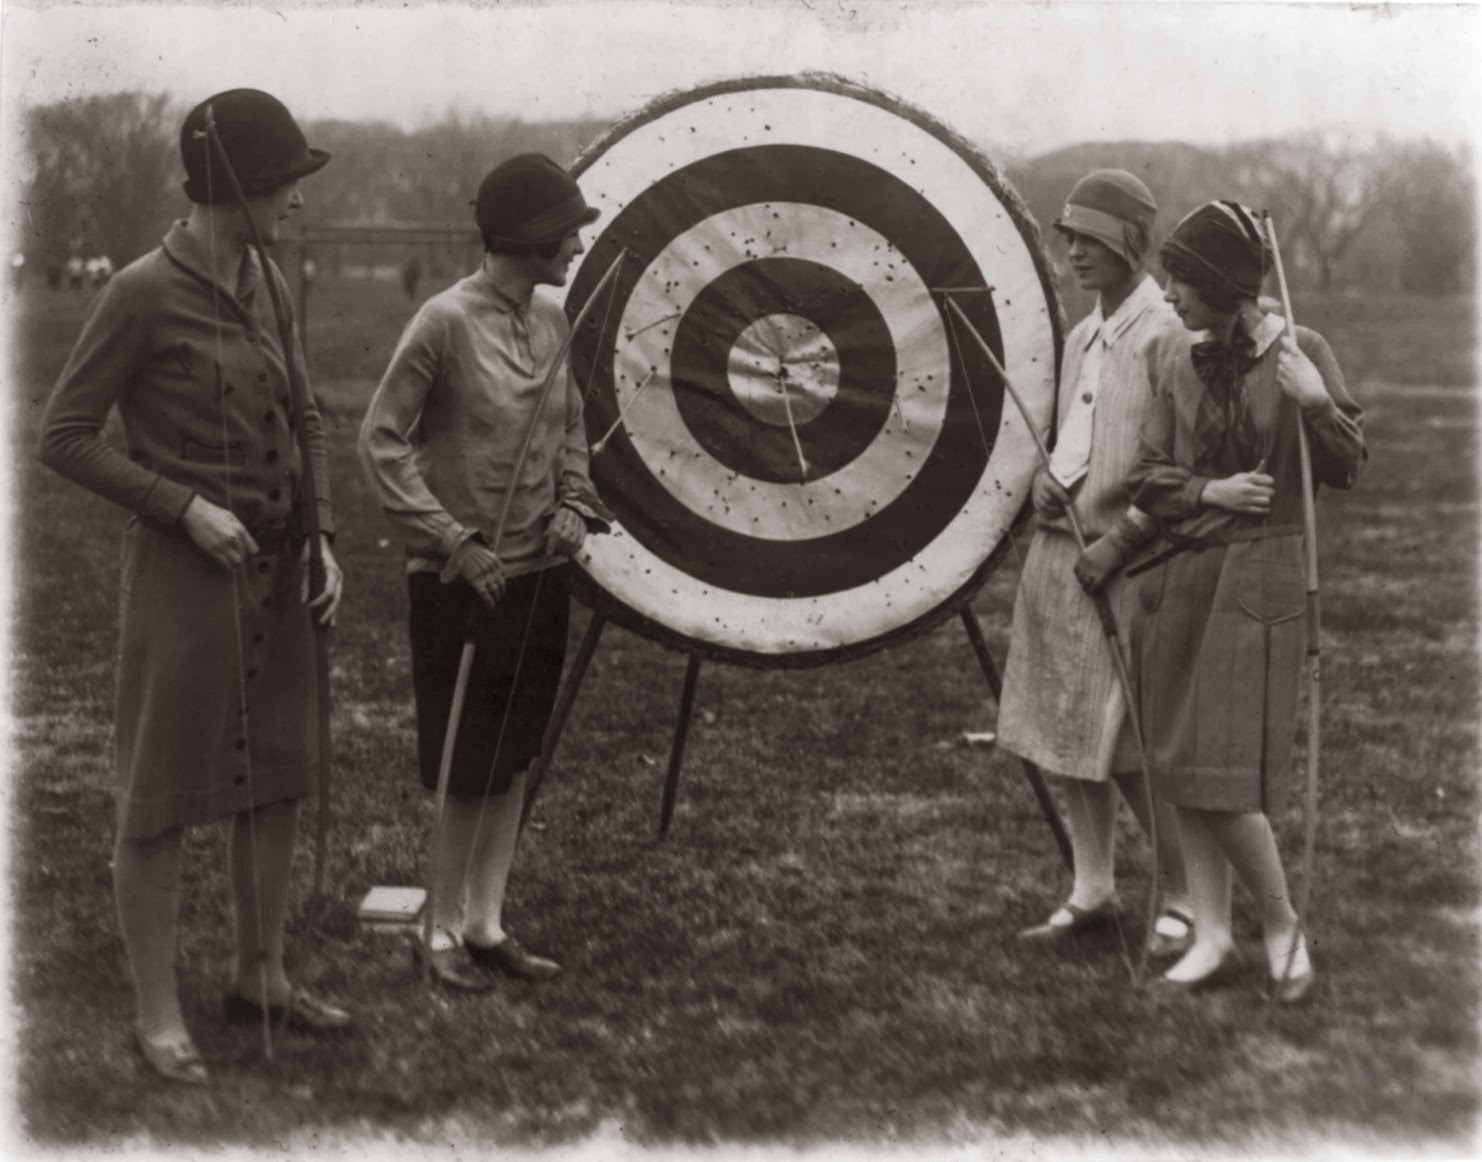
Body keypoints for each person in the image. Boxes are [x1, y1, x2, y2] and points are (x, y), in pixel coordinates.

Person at [39, 89, 350, 1085]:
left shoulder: (269, 277)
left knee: (278, 779)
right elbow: (64, 437)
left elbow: (307, 415)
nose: (296, 200)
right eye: (286, 183)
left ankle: (262, 977)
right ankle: (157, 1010)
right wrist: (182, 507)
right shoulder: (138, 291)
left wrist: (323, 536)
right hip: (185, 581)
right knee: (161, 797)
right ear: (237, 187)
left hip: (279, 571)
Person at [359, 153, 612, 992]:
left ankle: (485, 924)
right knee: (467, 765)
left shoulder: (554, 321)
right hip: (462, 581)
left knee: (513, 758)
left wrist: (573, 501)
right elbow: (381, 441)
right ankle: (436, 928)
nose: (577, 246)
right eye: (567, 232)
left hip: (539, 576)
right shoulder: (442, 321)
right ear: (529, 237)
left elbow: (570, 428)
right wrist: (451, 539)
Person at [1119, 200, 1365, 1000]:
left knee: (1219, 771)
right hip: (1180, 574)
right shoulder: (1174, 354)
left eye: (1182, 280)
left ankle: (1284, 923)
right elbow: (1145, 475)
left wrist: (1316, 403)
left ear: (1224, 283)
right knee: (1175, 763)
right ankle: (1215, 936)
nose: (1169, 294)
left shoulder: (1301, 350)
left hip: (1261, 577)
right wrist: (1208, 490)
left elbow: (1348, 466)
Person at [998, 170, 1192, 956]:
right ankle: (1093, 888)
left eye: (1091, 239)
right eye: (1069, 238)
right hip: (1061, 554)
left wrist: (1126, 536)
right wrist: (1047, 480)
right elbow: (1071, 438)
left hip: (1128, 559)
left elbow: (1181, 461)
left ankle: (1183, 897)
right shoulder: (1083, 336)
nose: (1075, 252)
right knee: (1067, 725)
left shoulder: (1166, 334)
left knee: (1129, 741)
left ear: (1130, 244)